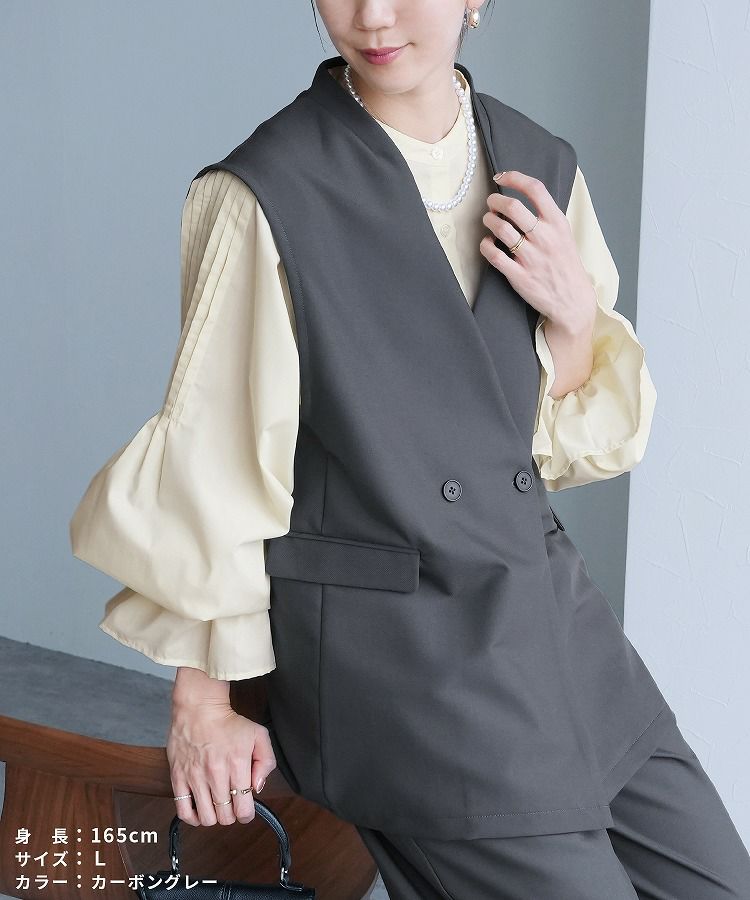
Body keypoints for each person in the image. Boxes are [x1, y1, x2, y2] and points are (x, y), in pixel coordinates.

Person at [69, 2, 750, 896]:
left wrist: (575, 320)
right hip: (404, 661)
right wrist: (203, 704)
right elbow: (216, 458)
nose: (373, 16)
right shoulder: (267, 192)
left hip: (551, 622)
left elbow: (552, 454)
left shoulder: (539, 165)